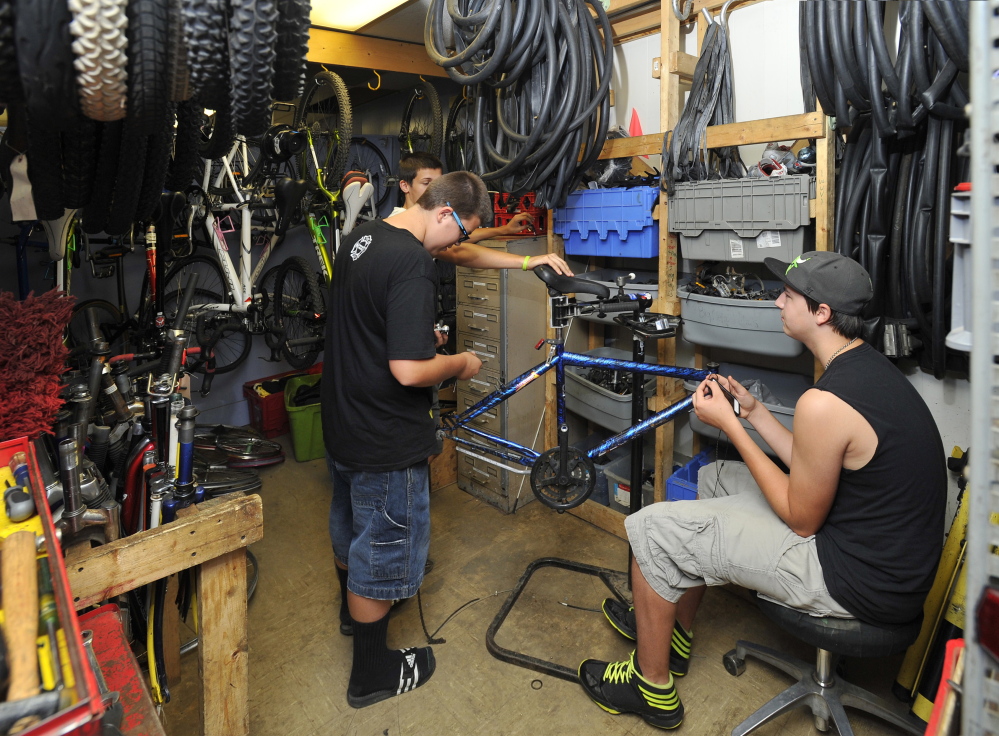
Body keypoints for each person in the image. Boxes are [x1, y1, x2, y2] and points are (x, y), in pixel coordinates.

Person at [578, 251, 946, 730]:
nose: (776, 303)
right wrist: (752, 413)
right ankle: (677, 635)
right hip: (879, 561)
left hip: (854, 582)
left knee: (649, 528)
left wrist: (730, 425)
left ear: (821, 313)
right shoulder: (862, 368)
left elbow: (801, 518)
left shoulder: (825, 401)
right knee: (709, 480)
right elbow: (809, 461)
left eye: (788, 296)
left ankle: (652, 690)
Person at [322, 172, 491, 708]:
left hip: (344, 421)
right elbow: (409, 371)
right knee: (381, 549)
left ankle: (354, 623)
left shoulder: (361, 238)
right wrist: (460, 363)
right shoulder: (413, 262)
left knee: (350, 527)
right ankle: (371, 674)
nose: (456, 245)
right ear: (444, 214)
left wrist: (418, 336)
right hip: (384, 436)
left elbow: (366, 325)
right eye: (461, 233)